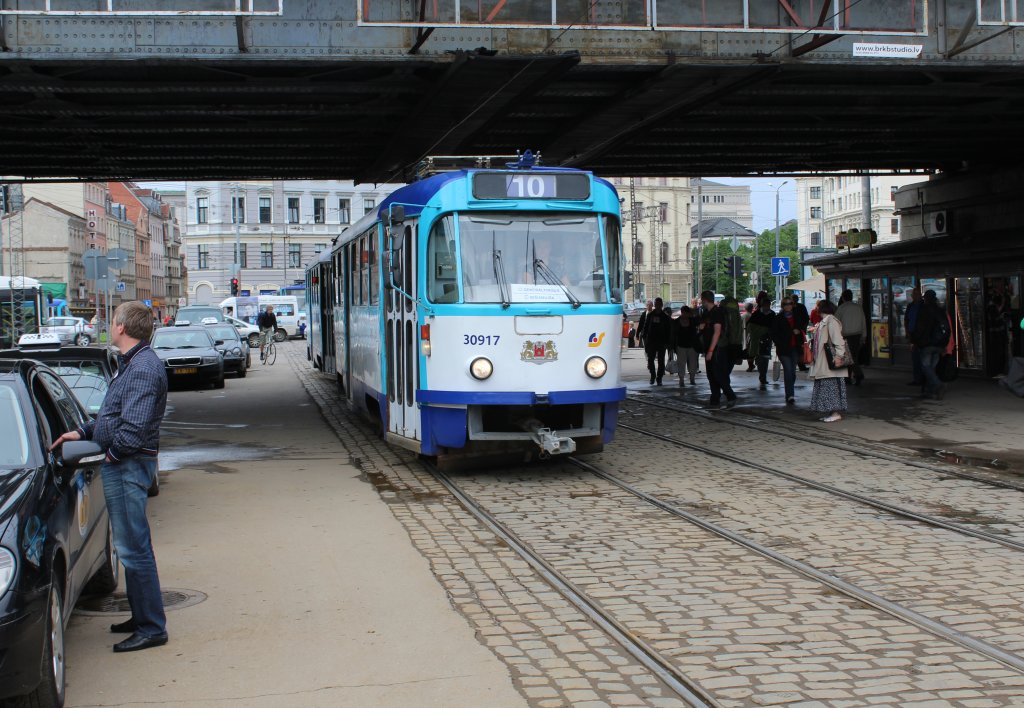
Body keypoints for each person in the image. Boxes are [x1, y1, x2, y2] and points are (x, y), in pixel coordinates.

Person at [50, 301, 169, 652]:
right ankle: (142, 616)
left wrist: (110, 456)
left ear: (121, 327)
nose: (107, 323)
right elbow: (115, 416)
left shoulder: (143, 368)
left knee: (134, 549)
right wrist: (85, 432)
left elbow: (132, 429)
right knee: (130, 546)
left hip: (128, 465)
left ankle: (151, 627)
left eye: (111, 318)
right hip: (126, 463)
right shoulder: (133, 363)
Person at [808, 299, 849, 422]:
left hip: (829, 361)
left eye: (817, 306)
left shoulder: (831, 321)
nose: (816, 308)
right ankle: (831, 412)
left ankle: (835, 413)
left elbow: (838, 341)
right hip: (824, 361)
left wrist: (838, 357)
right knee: (827, 385)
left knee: (830, 386)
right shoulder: (825, 321)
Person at [701, 290, 737, 408]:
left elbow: (717, 332)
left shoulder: (716, 313)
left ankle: (730, 395)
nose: (701, 302)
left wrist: (711, 350)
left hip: (718, 349)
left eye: (702, 300)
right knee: (711, 374)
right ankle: (715, 397)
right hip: (710, 348)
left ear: (705, 300)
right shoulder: (707, 312)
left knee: (718, 374)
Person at [913, 289, 950, 399]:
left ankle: (938, 385)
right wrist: (944, 344)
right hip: (939, 344)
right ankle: (930, 391)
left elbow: (919, 328)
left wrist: (916, 341)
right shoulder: (940, 310)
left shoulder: (924, 310)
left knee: (926, 367)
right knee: (931, 368)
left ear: (926, 298)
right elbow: (947, 328)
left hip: (927, 343)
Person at [770, 296, 803, 405]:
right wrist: (781, 341)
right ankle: (790, 395)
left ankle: (790, 390)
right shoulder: (778, 318)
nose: (788, 306)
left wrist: (799, 332)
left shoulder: (797, 317)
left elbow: (803, 324)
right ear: (783, 306)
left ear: (793, 305)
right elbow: (774, 334)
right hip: (784, 349)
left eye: (790, 303)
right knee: (788, 370)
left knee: (792, 372)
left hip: (795, 348)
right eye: (785, 304)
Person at [836, 289, 867, 386]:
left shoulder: (841, 308)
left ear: (843, 297)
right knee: (853, 357)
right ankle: (850, 378)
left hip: (845, 336)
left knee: (849, 358)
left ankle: (857, 375)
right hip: (857, 336)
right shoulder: (858, 308)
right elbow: (863, 322)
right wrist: (864, 336)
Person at [747, 293, 774, 391]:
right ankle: (762, 374)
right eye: (766, 305)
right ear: (762, 305)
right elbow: (750, 326)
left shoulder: (771, 314)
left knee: (765, 359)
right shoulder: (757, 314)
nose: (767, 307)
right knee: (759, 358)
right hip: (758, 341)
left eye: (768, 305)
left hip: (766, 341)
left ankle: (763, 376)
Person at [643, 297, 671, 385]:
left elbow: (668, 330)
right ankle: (652, 375)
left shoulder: (665, 317)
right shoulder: (650, 315)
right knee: (650, 360)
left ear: (661, 305)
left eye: (659, 304)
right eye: (656, 304)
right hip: (651, 341)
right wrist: (644, 338)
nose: (658, 306)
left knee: (661, 361)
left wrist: (667, 342)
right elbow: (646, 328)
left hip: (661, 342)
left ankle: (659, 378)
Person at [671, 305, 700, 387]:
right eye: (683, 312)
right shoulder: (677, 322)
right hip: (680, 346)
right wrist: (673, 346)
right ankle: (681, 380)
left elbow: (699, 320)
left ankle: (692, 378)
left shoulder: (693, 320)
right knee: (681, 364)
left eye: (686, 313)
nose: (684, 314)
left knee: (693, 363)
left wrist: (693, 314)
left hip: (692, 346)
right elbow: (674, 334)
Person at [904, 286, 924, 386]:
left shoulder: (924, 306)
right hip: (913, 336)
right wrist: (907, 333)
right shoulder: (910, 306)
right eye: (913, 294)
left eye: (917, 294)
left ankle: (923, 379)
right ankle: (917, 379)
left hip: (922, 336)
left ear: (920, 295)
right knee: (915, 359)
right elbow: (906, 320)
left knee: (923, 359)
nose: (915, 296)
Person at [791, 292, 811, 371]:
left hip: (798, 331)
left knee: (798, 348)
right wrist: (803, 328)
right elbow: (806, 318)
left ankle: (798, 364)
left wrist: (802, 329)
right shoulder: (801, 307)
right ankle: (800, 365)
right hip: (798, 331)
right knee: (799, 349)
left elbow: (806, 318)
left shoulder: (799, 307)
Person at [741, 302, 755, 371]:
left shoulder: (743, 316)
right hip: (751, 334)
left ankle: (751, 366)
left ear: (745, 308)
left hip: (745, 334)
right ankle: (751, 365)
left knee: (747, 350)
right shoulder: (753, 316)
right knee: (750, 350)